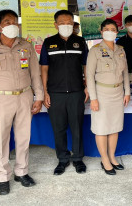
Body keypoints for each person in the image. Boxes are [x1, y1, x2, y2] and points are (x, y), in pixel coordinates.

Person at [0, 9, 44, 195]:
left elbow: (35, 74)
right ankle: (2, 176)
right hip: (0, 98)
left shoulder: (27, 46)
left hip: (25, 96)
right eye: (7, 22)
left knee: (23, 137)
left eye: (15, 22)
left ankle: (21, 172)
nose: (13, 25)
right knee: (1, 139)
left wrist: (39, 97)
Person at [40, 10, 89, 176]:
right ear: (55, 25)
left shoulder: (80, 41)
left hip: (76, 92)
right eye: (62, 23)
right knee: (58, 128)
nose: (66, 25)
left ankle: (78, 159)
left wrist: (87, 87)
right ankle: (62, 159)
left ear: (74, 25)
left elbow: (86, 66)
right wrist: (45, 92)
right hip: (55, 93)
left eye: (69, 23)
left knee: (77, 127)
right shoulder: (48, 43)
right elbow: (44, 69)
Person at [86, 19, 130, 175]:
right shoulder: (95, 50)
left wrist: (127, 92)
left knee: (114, 128)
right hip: (101, 94)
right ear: (101, 31)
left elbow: (125, 72)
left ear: (117, 32)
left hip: (117, 93)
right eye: (107, 29)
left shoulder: (121, 50)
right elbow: (89, 75)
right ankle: (104, 159)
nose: (110, 31)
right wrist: (94, 98)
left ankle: (112, 156)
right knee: (101, 128)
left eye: (113, 29)